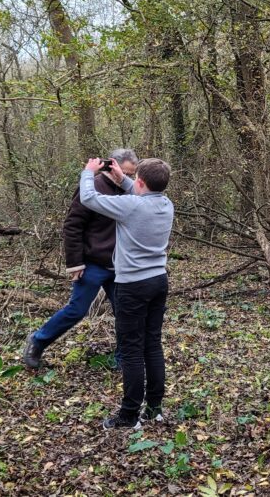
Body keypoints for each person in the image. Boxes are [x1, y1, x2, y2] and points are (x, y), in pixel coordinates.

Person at [81, 156, 176, 430]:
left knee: (132, 350)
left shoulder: (131, 206)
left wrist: (89, 172)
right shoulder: (166, 204)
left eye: (136, 180)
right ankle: (154, 408)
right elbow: (138, 189)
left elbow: (89, 198)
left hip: (132, 285)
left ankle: (129, 414)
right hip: (158, 281)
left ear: (142, 181)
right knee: (152, 344)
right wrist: (120, 176)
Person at [22, 149, 139, 370]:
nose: (126, 177)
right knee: (77, 309)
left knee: (125, 312)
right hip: (93, 262)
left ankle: (122, 358)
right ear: (110, 165)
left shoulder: (129, 190)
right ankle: (37, 341)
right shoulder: (92, 187)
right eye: (123, 172)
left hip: (120, 264)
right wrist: (75, 262)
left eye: (131, 174)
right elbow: (72, 225)